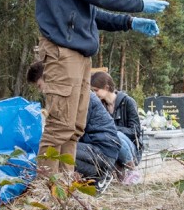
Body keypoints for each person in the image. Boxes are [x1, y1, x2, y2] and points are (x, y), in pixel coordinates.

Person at [34, 0, 168, 179]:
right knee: (60, 125)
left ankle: (62, 191)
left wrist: (130, 21)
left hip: (80, 55)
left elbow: (90, 11)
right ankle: (43, 195)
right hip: (62, 51)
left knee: (75, 127)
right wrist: (139, 2)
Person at [28, 62, 118, 191]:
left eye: (40, 85)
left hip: (102, 152)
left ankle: (101, 175)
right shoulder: (69, 93)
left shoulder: (78, 95)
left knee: (59, 153)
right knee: (57, 152)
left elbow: (75, 130)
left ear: (48, 77)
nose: (42, 90)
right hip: (93, 148)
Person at [90, 71, 143, 167]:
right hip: (110, 146)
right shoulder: (100, 105)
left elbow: (135, 131)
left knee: (114, 135)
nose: (94, 93)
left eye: (96, 90)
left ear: (106, 87)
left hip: (131, 148)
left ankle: (131, 169)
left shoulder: (128, 102)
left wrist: (112, 128)